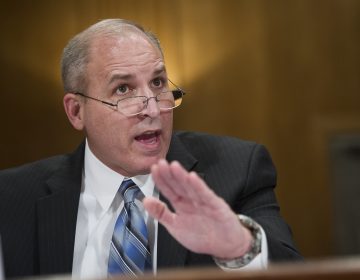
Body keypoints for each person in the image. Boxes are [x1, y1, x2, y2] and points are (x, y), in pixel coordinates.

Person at [0, 19, 302, 279]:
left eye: (158, 82)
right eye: (123, 89)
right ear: (77, 111)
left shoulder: (236, 170)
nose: (152, 108)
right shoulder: (12, 197)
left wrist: (240, 247)